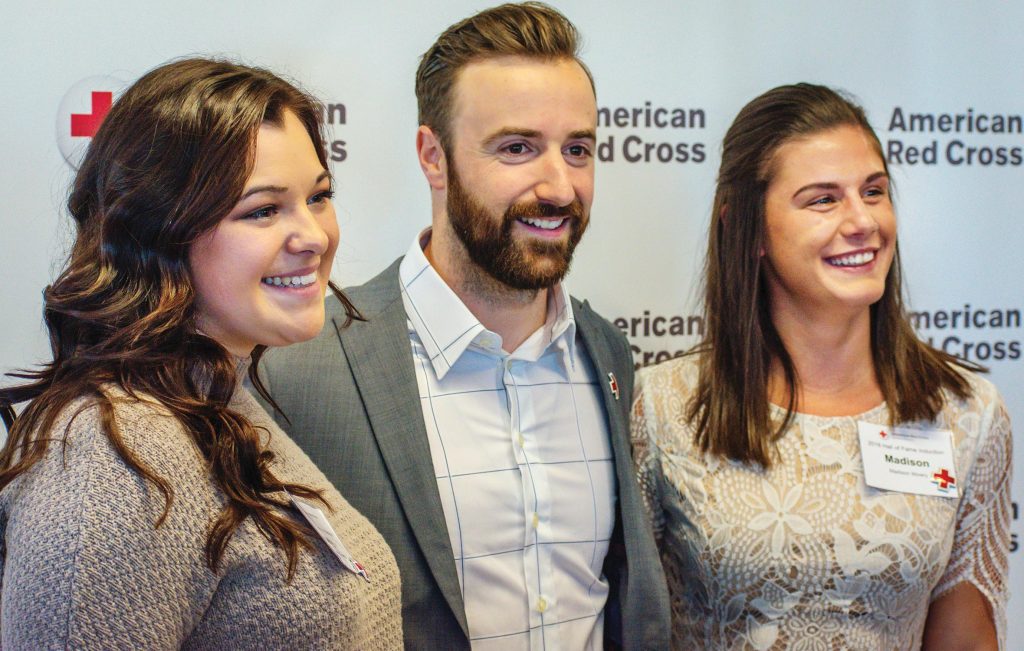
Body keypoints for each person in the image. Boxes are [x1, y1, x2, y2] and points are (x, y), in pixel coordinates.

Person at [257, 3, 669, 649]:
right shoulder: (298, 362)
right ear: (433, 157)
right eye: (517, 148)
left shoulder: (607, 352)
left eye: (578, 149)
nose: (559, 185)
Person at [0, 58, 402, 649]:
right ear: (161, 232)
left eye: (318, 196)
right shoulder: (114, 457)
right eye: (263, 210)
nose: (314, 236)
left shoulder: (216, 396)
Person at [631, 83, 1012, 650]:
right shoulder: (665, 409)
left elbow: (964, 639)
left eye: (874, 191)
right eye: (823, 199)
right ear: (749, 228)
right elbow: (628, 628)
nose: (863, 221)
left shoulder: (964, 414)